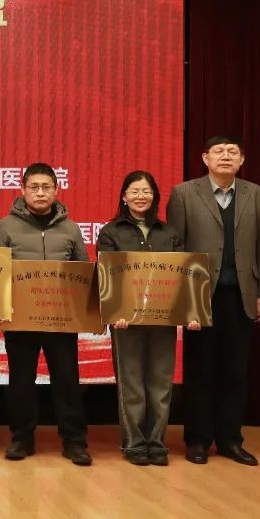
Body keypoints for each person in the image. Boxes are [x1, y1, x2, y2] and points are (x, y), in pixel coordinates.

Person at [167, 135, 260, 466]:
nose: (226, 156)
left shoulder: (257, 194)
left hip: (241, 295)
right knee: (200, 370)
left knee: (235, 371)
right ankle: (197, 440)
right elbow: (176, 247)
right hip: (199, 295)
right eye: (219, 152)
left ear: (242, 160)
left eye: (232, 152)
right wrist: (181, 297)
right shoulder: (184, 193)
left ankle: (230, 440)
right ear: (205, 158)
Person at [0, 162, 92, 466]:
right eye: (33, 187)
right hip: (20, 319)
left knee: (67, 379)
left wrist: (87, 315)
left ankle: (74, 441)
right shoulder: (4, 227)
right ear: (22, 190)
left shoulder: (70, 228)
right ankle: (22, 438)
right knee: (21, 380)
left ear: (56, 190)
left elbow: (82, 274)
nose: (40, 192)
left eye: (46, 187)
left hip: (61, 319)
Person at [97, 171, 201, 466]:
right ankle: (134, 443)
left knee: (161, 384)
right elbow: (107, 275)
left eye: (146, 191)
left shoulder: (169, 233)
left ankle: (156, 443)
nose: (140, 196)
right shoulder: (110, 232)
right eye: (134, 191)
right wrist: (115, 311)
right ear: (124, 197)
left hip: (162, 319)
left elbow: (182, 276)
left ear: (154, 196)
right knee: (131, 384)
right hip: (126, 322)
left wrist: (190, 312)